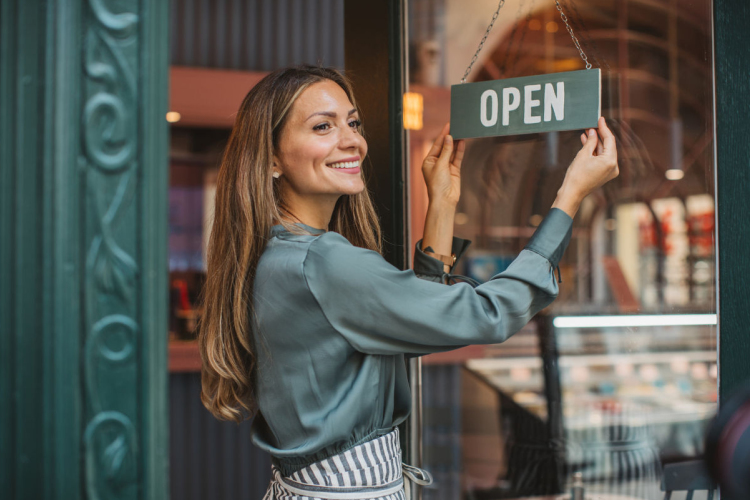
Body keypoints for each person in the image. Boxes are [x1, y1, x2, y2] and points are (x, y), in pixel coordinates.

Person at [198, 65, 619, 500]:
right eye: (323, 126)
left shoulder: (279, 253)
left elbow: (421, 318)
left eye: (353, 122)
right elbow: (486, 315)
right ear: (270, 158)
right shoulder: (323, 262)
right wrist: (569, 196)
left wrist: (442, 204)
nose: (352, 140)